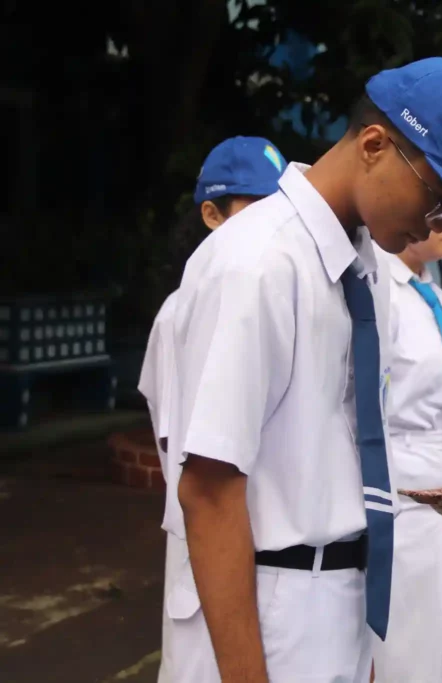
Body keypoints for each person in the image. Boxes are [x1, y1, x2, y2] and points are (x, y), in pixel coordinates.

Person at [161, 57, 442, 683]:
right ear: (374, 144)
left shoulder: (363, 263)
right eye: (435, 197)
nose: (436, 225)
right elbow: (209, 489)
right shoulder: (258, 262)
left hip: (340, 599)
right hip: (267, 603)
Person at [137, 135, 286, 683]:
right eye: (255, 204)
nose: (272, 221)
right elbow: (190, 453)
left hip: (258, 553)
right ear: (211, 214)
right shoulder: (186, 309)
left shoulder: (264, 287)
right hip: (211, 545)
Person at [371, 222, 442, 682]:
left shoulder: (433, 294)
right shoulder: (379, 292)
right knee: (408, 644)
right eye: (437, 216)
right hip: (403, 484)